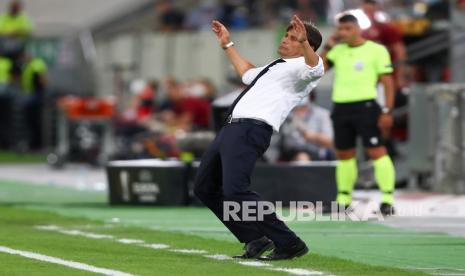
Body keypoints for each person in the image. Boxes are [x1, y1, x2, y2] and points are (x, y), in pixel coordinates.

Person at [194, 15, 324, 260]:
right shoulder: (277, 67)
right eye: (286, 35)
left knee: (236, 191)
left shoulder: (302, 69)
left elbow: (317, 68)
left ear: (308, 45)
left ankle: (289, 242)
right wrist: (227, 45)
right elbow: (246, 73)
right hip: (230, 129)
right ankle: (254, 238)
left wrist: (306, 44)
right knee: (205, 187)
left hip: (250, 129)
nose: (286, 39)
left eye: (293, 38)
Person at [322, 14, 396, 216]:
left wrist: (387, 110)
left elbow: (388, 82)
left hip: (366, 107)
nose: (343, 32)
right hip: (341, 107)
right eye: (340, 29)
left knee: (376, 151)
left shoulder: (376, 50)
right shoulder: (337, 51)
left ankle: (387, 199)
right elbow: (317, 69)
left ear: (358, 29)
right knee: (344, 154)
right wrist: (327, 46)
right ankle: (343, 199)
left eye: (347, 28)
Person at [280, 92, 334, 161]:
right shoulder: (285, 115)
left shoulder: (322, 114)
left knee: (302, 157)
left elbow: (331, 142)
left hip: (316, 155)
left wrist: (313, 136)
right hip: (288, 155)